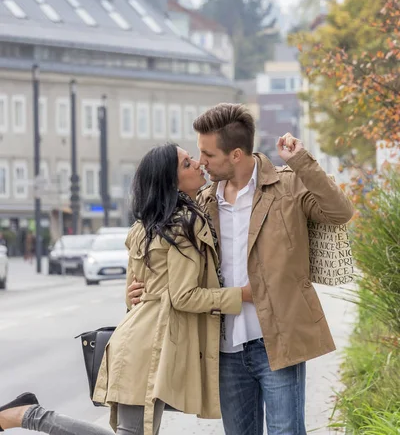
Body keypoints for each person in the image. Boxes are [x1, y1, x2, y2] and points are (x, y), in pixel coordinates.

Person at [128, 103, 354, 435]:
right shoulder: (201, 202)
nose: (201, 161)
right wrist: (133, 288)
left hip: (276, 340)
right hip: (224, 348)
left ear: (235, 155)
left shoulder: (288, 187)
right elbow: (157, 248)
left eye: (207, 154)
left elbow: (340, 212)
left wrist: (302, 163)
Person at [0, 143, 252, 435]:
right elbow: (184, 296)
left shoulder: (145, 226)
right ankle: (29, 415)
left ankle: (28, 413)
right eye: (186, 163)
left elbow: (137, 292)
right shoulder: (184, 225)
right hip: (150, 347)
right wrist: (244, 295)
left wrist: (135, 296)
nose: (197, 164)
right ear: (171, 182)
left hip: (144, 342)